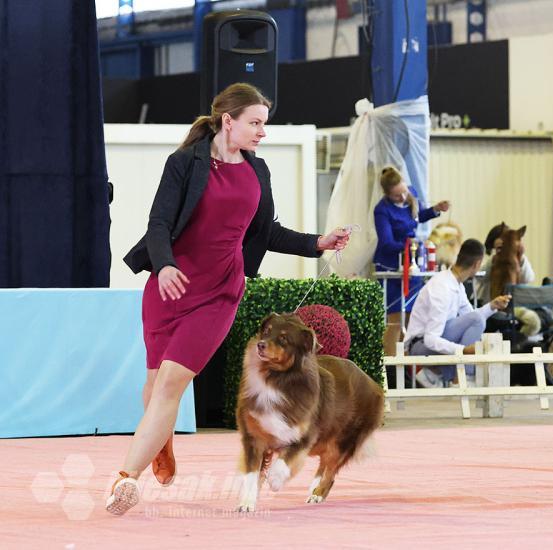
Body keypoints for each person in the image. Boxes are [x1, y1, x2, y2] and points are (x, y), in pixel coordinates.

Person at [107, 83, 350, 515]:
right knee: (154, 388)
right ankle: (158, 443)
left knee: (169, 384)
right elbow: (159, 223)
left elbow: (267, 232)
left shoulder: (258, 171)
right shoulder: (184, 163)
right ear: (228, 121)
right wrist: (163, 266)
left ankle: (126, 478)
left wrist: (319, 242)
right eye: (255, 123)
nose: (262, 132)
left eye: (264, 124)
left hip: (219, 292)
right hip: (169, 287)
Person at [404, 239, 512, 388]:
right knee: (477, 320)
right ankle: (462, 377)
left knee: (477, 319)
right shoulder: (442, 288)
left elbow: (472, 317)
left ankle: (439, 373)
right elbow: (430, 339)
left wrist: (492, 306)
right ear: (477, 264)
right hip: (420, 347)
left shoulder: (455, 283)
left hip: (428, 342)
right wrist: (463, 350)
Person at [373, 165, 449, 353]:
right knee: (395, 320)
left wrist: (435, 210)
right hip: (392, 267)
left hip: (413, 264)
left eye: (404, 192)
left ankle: (408, 362)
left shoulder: (410, 194)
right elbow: (386, 242)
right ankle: (390, 365)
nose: (403, 198)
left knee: (413, 318)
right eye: (397, 196)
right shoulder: (381, 210)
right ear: (387, 195)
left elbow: (418, 216)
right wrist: (411, 246)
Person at [476, 222, 535, 305]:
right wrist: (496, 256)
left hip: (511, 306)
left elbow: (529, 278)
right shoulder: (484, 257)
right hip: (487, 305)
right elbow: (479, 276)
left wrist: (521, 257)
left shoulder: (516, 260)